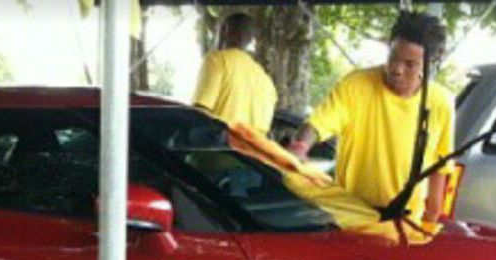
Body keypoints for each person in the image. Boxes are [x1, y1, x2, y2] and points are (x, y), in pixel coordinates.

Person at [287, 11, 454, 223]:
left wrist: (431, 219)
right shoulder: (355, 85)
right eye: (393, 57)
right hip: (350, 217)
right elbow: (318, 123)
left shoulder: (441, 102)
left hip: (407, 223)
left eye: (410, 64)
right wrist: (300, 146)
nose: (396, 69)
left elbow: (441, 166)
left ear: (431, 63)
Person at [192, 13, 278, 136]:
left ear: (224, 31)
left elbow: (199, 113)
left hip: (217, 151)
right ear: (250, 39)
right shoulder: (267, 82)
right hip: (253, 154)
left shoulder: (217, 60)